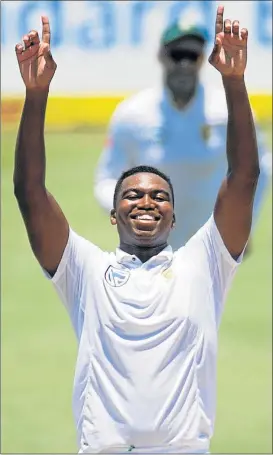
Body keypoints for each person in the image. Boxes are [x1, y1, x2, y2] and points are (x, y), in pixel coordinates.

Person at [14, 6, 260, 453]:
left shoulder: (203, 264)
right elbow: (31, 194)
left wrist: (234, 81)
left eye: (159, 196)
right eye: (131, 195)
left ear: (175, 216)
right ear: (113, 214)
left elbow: (243, 178)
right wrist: (36, 95)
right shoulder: (85, 270)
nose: (145, 200)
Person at [94, 15, 270, 251]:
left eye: (192, 56)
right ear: (161, 56)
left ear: (202, 60)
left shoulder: (227, 111)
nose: (184, 64)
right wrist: (130, 215)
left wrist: (243, 225)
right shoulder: (133, 114)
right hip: (147, 249)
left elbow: (261, 168)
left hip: (210, 251)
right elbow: (106, 180)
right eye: (177, 55)